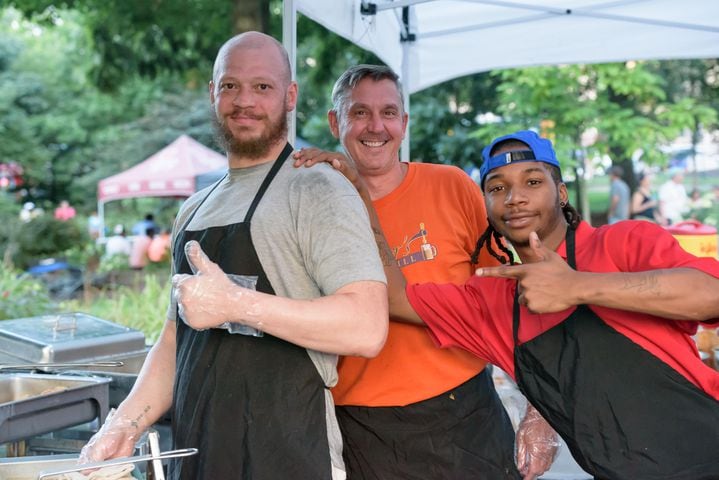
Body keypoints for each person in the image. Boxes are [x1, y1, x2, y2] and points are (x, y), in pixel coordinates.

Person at [77, 32, 388, 480]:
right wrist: (125, 423)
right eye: (230, 86)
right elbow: (173, 341)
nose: (245, 101)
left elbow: (367, 327)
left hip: (288, 455)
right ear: (213, 93)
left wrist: (237, 304)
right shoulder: (194, 207)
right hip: (198, 451)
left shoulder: (317, 188)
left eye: (262, 87)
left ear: (290, 95)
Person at [377, 130, 719, 479]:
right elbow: (395, 297)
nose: (514, 198)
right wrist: (358, 196)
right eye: (497, 188)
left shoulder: (622, 243)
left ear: (561, 192)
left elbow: (711, 293)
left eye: (533, 181)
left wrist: (577, 286)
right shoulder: (491, 301)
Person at [294, 65, 557, 480]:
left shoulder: (451, 186)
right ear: (334, 122)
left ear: (404, 123)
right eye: (360, 113)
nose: (376, 126)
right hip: (362, 426)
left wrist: (541, 413)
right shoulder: (312, 207)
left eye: (389, 112)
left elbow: (516, 303)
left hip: (465, 414)